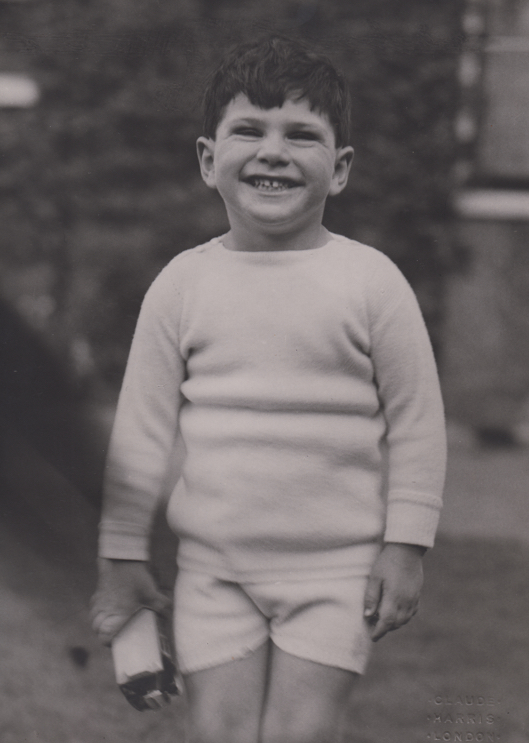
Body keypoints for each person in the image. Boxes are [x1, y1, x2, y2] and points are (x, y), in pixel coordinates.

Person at [91, 35, 446, 743]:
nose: (272, 150)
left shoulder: (371, 282)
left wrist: (406, 545)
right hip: (213, 570)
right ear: (206, 159)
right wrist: (121, 554)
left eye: (301, 135)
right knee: (218, 731)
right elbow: (140, 432)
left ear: (339, 168)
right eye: (248, 129)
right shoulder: (181, 284)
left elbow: (416, 421)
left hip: (335, 571)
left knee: (300, 732)